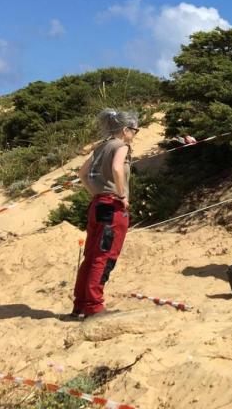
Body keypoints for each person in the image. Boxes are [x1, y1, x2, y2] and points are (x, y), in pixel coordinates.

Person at [69, 109, 139, 320]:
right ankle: (94, 306)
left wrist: (96, 194)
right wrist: (121, 195)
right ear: (125, 129)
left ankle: (80, 305)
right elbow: (118, 169)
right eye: (135, 129)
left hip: (98, 204)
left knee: (91, 255)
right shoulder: (121, 146)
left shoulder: (100, 147)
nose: (136, 133)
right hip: (112, 206)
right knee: (105, 256)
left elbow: (82, 174)